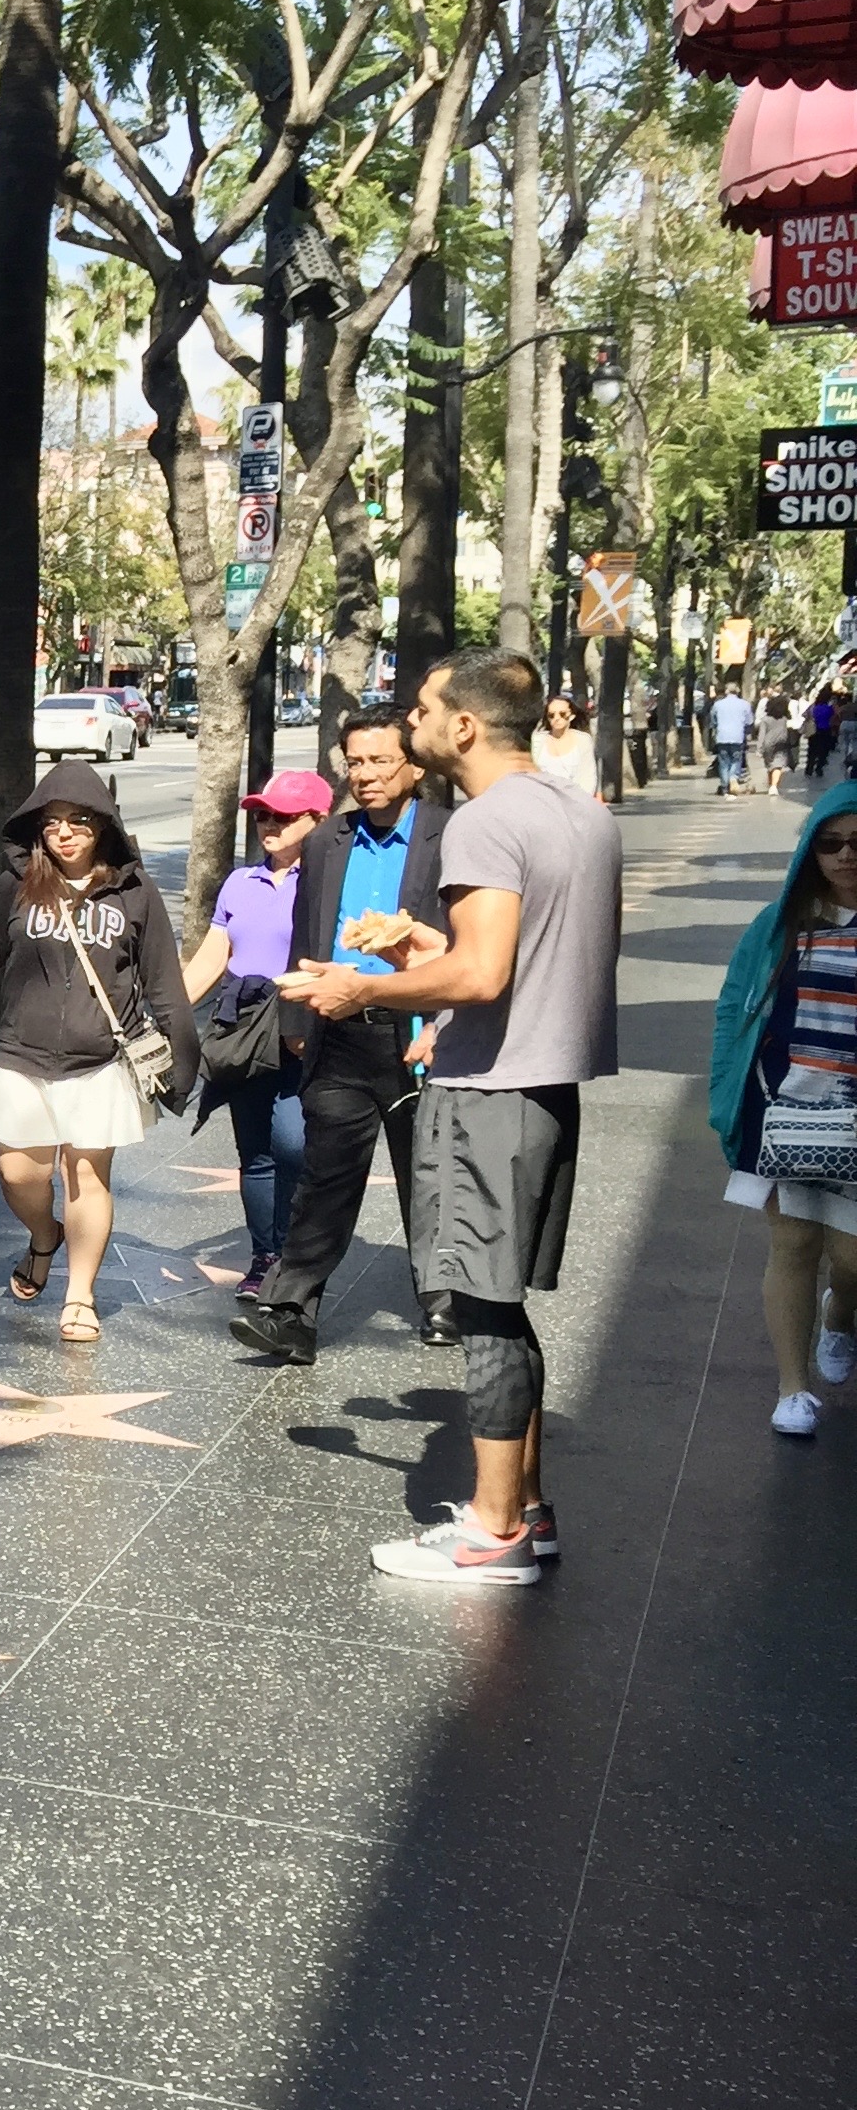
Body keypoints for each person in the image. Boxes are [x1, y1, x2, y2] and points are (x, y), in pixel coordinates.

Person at [283, 649, 621, 1586]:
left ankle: (493, 1531)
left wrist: (365, 987)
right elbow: (517, 955)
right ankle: (528, 1514)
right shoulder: (576, 814)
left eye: (425, 709)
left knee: (484, 1312)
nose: (412, 724)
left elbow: (482, 975)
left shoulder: (480, 822)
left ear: (462, 726)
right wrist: (429, 944)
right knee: (500, 1304)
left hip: (490, 1096)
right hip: (547, 1087)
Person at [0, 763, 200, 1344]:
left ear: (102, 826)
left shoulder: (135, 891)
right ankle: (43, 1236)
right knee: (18, 1172)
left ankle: (80, 1295)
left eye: (79, 820)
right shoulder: (14, 886)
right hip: (20, 1058)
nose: (64, 832)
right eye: (52, 823)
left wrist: (185, 1062)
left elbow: (163, 981)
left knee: (87, 1173)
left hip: (101, 1061)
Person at [233, 709, 457, 1364]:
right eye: (355, 762)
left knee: (430, 1171)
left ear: (414, 766)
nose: (366, 775)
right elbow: (308, 936)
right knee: (325, 1177)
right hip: (339, 1033)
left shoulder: (451, 834)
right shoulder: (328, 840)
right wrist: (300, 1027)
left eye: (380, 761)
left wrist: (449, 1022)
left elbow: (473, 942)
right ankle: (290, 1310)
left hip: (419, 1031)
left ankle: (443, 1299)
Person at [710, 783, 857, 1437]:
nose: (846, 855)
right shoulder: (779, 927)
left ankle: (842, 1313)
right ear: (811, 850)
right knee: (793, 1243)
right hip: (785, 1109)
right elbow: (732, 1013)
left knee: (852, 1259)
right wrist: (725, 1101)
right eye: (831, 843)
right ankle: (793, 1389)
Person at [182, 769, 324, 1297]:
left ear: (317, 821)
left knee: (293, 1143)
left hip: (304, 1025)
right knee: (256, 1151)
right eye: (264, 813)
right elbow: (210, 962)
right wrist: (162, 1012)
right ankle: (266, 1257)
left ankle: (298, 1254)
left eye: (284, 816)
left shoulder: (325, 882)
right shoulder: (241, 882)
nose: (270, 823)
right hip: (244, 1028)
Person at [534, 694, 599, 799]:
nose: (557, 718)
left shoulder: (583, 740)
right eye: (551, 715)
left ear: (572, 715)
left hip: (573, 802)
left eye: (562, 714)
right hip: (543, 802)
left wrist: (581, 802)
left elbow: (588, 777)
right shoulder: (537, 740)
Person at [712, 684, 754, 795]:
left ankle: (725, 786)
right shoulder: (745, 704)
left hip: (722, 737)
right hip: (738, 737)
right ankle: (733, 777)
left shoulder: (717, 705)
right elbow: (749, 722)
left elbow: (713, 721)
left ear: (726, 691)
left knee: (724, 762)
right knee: (736, 760)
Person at [758, 691, 797, 798]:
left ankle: (772, 785)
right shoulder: (784, 719)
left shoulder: (765, 720)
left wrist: (759, 748)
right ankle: (774, 786)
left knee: (770, 765)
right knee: (778, 766)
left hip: (767, 745)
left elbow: (761, 735)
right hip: (781, 744)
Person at [807, 688, 838, 782]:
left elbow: (806, 715)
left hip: (814, 730)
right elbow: (834, 716)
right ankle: (819, 768)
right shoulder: (829, 708)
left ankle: (809, 768)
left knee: (812, 750)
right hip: (826, 730)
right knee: (824, 751)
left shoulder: (814, 707)